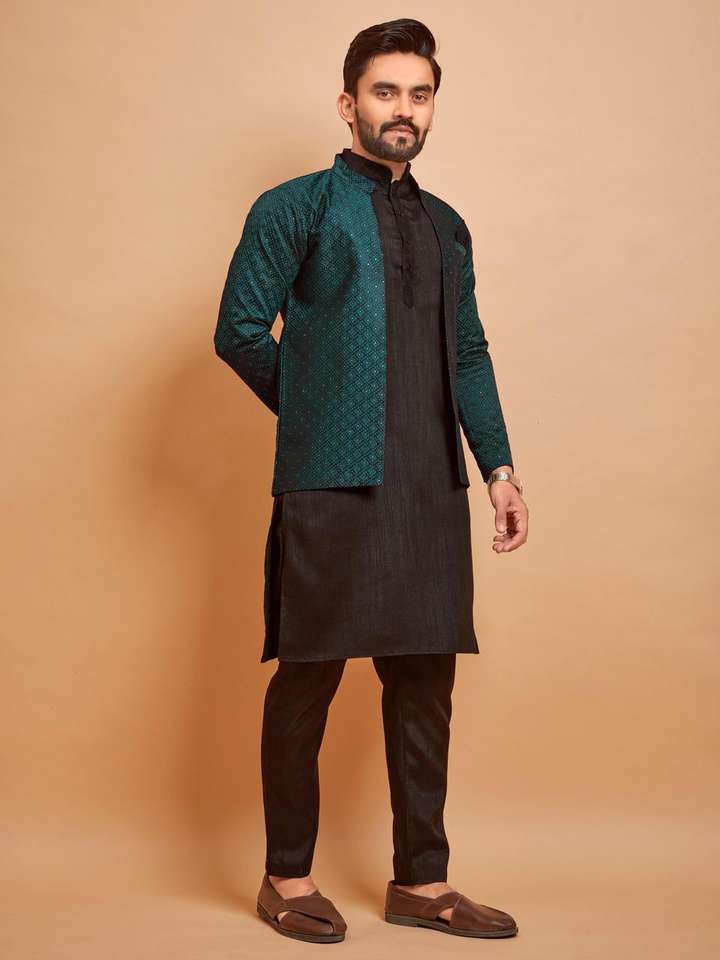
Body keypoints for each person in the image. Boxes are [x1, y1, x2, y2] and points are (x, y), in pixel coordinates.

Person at [214, 18, 528, 944]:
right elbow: (239, 330)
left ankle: (422, 883)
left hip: (431, 485)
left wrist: (499, 467)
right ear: (348, 104)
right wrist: (319, 411)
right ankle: (286, 875)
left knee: (426, 682)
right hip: (330, 481)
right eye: (386, 92)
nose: (404, 110)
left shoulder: (446, 225)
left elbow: (468, 353)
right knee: (308, 679)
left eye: (419, 94)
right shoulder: (296, 207)